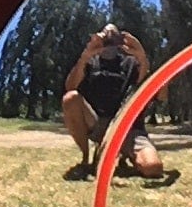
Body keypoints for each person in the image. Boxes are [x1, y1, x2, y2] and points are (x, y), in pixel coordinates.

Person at [60, 24, 176, 184]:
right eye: (105, 37)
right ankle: (86, 159)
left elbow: (148, 90)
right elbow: (70, 87)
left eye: (115, 37)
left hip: (130, 127)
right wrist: (85, 56)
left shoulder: (132, 63)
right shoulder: (90, 63)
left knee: (153, 168)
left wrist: (141, 56)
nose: (110, 41)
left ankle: (124, 153)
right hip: (99, 123)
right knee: (70, 98)